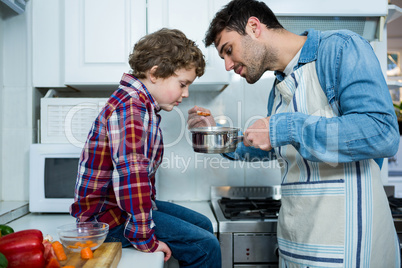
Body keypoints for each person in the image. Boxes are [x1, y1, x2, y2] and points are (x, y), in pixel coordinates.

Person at [187, 0, 401, 267]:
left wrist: (283, 128)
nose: (228, 65)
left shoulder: (339, 49)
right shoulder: (277, 89)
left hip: (347, 249)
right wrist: (217, 138)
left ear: (254, 27)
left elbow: (381, 133)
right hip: (295, 247)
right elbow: (276, 145)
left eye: (228, 50)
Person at [70, 28, 221, 267]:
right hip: (106, 223)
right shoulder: (132, 108)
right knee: (206, 247)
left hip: (118, 211)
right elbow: (133, 177)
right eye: (182, 84)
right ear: (155, 73)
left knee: (204, 225)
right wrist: (145, 238)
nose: (186, 93)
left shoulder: (140, 105)